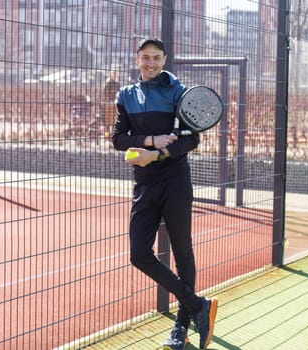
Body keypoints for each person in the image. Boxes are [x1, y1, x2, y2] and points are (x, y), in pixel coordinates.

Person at [111, 38, 218, 350]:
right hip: (143, 184)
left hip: (175, 182)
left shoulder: (178, 93)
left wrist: (157, 155)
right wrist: (150, 141)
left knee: (182, 251)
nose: (151, 63)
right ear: (137, 59)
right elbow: (118, 138)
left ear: (165, 59)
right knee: (139, 254)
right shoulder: (126, 95)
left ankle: (181, 328)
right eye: (145, 57)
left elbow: (191, 141)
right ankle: (198, 305)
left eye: (156, 58)